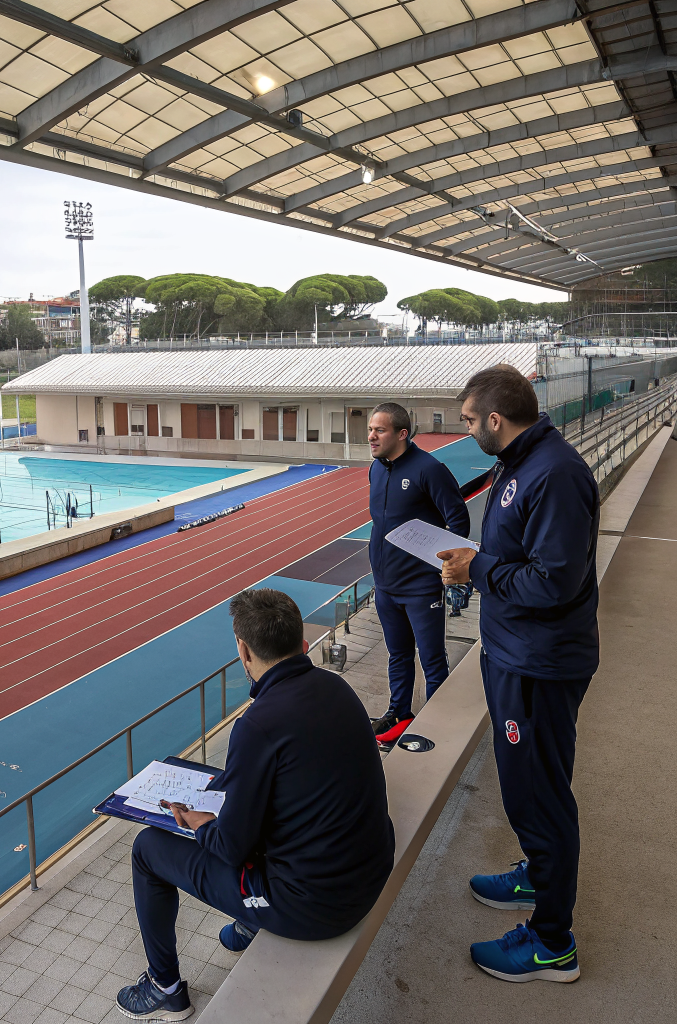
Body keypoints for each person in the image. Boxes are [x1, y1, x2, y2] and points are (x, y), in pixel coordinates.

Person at [116, 588, 395, 1020]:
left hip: (317, 906)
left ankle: (164, 988)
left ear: (244, 651)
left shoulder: (257, 726)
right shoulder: (335, 686)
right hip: (370, 871)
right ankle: (250, 922)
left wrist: (199, 823)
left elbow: (230, 848)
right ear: (300, 641)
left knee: (147, 850)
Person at [437, 365, 598, 984]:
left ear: (496, 419)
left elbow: (555, 580)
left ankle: (553, 944)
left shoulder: (554, 473)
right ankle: (538, 872)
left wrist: (477, 572)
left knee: (540, 796)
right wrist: (481, 564)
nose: (467, 427)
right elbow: (522, 558)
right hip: (517, 654)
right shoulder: (523, 462)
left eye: (471, 419)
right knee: (528, 789)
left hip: (538, 664)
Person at [367, 402, 470, 744]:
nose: (371, 436)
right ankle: (400, 710)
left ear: (401, 434)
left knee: (431, 658)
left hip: (421, 588)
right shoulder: (376, 469)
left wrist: (444, 566)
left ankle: (437, 721)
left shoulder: (429, 469)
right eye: (370, 429)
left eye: (379, 430)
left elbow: (458, 519)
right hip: (385, 585)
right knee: (397, 654)